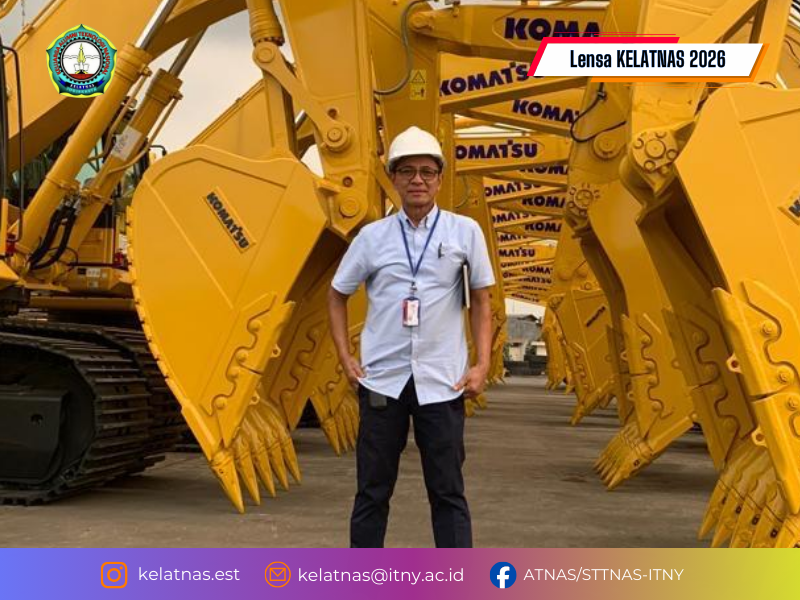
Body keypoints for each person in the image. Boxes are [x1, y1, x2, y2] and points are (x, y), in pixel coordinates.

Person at [327, 126, 495, 548]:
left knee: (448, 491)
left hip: (442, 382)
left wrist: (482, 364)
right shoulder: (372, 237)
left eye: (426, 172)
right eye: (407, 172)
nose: (417, 180)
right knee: (372, 491)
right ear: (394, 179)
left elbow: (481, 300)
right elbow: (336, 294)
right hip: (383, 382)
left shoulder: (464, 232)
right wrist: (346, 359)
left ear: (439, 179)